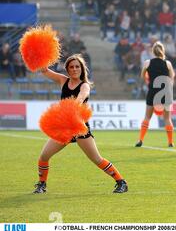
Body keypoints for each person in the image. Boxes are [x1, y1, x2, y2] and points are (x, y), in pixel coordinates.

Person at [33, 55, 128, 194]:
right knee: (44, 156)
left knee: (96, 159)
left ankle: (121, 182)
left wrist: (74, 104)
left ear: (82, 69)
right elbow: (45, 71)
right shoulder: (63, 80)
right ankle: (41, 185)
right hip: (65, 127)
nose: (74, 69)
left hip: (79, 127)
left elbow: (82, 95)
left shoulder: (84, 85)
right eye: (71, 67)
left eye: (77, 66)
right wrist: (40, 58)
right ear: (67, 69)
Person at [136, 42, 175, 148]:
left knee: (147, 117)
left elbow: (142, 75)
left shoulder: (147, 62)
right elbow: (172, 78)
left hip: (152, 91)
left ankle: (140, 139)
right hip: (165, 92)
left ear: (153, 51)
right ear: (163, 51)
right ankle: (170, 142)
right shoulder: (168, 64)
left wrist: (147, 81)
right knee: (167, 119)